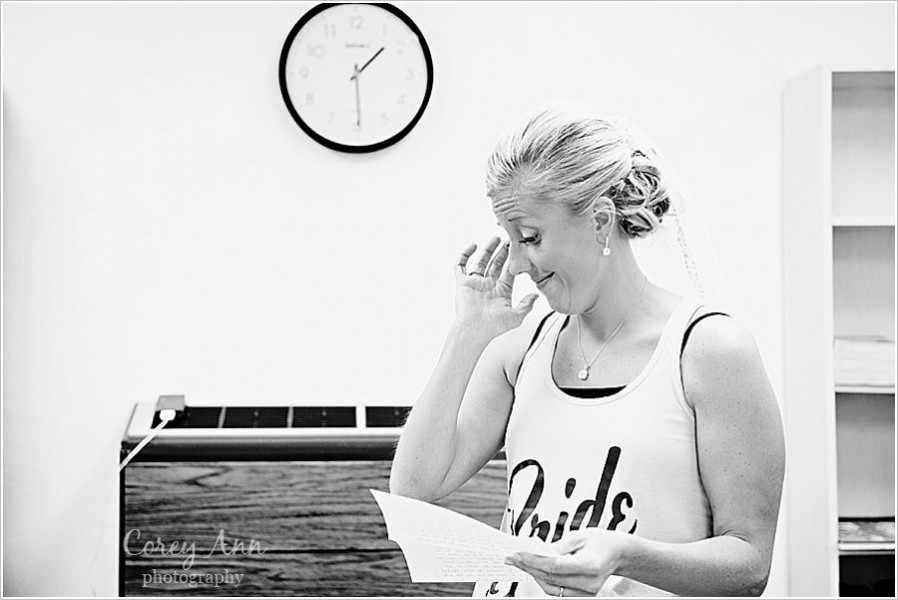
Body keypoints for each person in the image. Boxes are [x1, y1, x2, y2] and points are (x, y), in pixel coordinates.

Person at [389, 101, 785, 597]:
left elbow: (749, 564)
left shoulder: (708, 351)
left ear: (599, 221)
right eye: (508, 239)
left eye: (530, 237)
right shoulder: (520, 350)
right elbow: (414, 489)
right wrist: (466, 334)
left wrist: (624, 555)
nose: (514, 264)